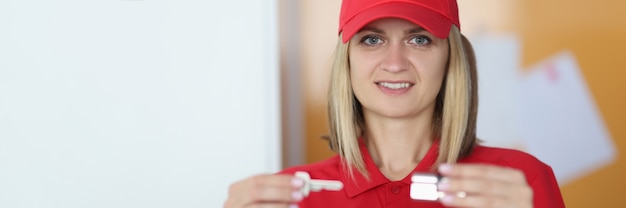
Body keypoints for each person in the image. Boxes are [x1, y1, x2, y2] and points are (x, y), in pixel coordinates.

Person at [224, 0, 565, 207]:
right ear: (348, 60)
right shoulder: (290, 195)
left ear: (451, 59)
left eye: (419, 39)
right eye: (372, 39)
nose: (395, 62)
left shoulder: (519, 182)